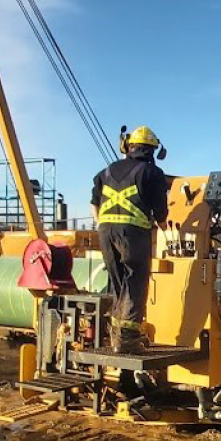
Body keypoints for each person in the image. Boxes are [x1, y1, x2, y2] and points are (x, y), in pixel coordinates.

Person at [90, 125, 169, 354]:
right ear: (152, 151)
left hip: (105, 232)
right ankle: (129, 340)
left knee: (118, 282)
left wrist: (101, 224)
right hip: (132, 234)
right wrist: (165, 229)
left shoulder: (106, 171)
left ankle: (116, 337)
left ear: (128, 146)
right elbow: (160, 211)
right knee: (135, 281)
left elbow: (93, 201)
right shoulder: (151, 173)